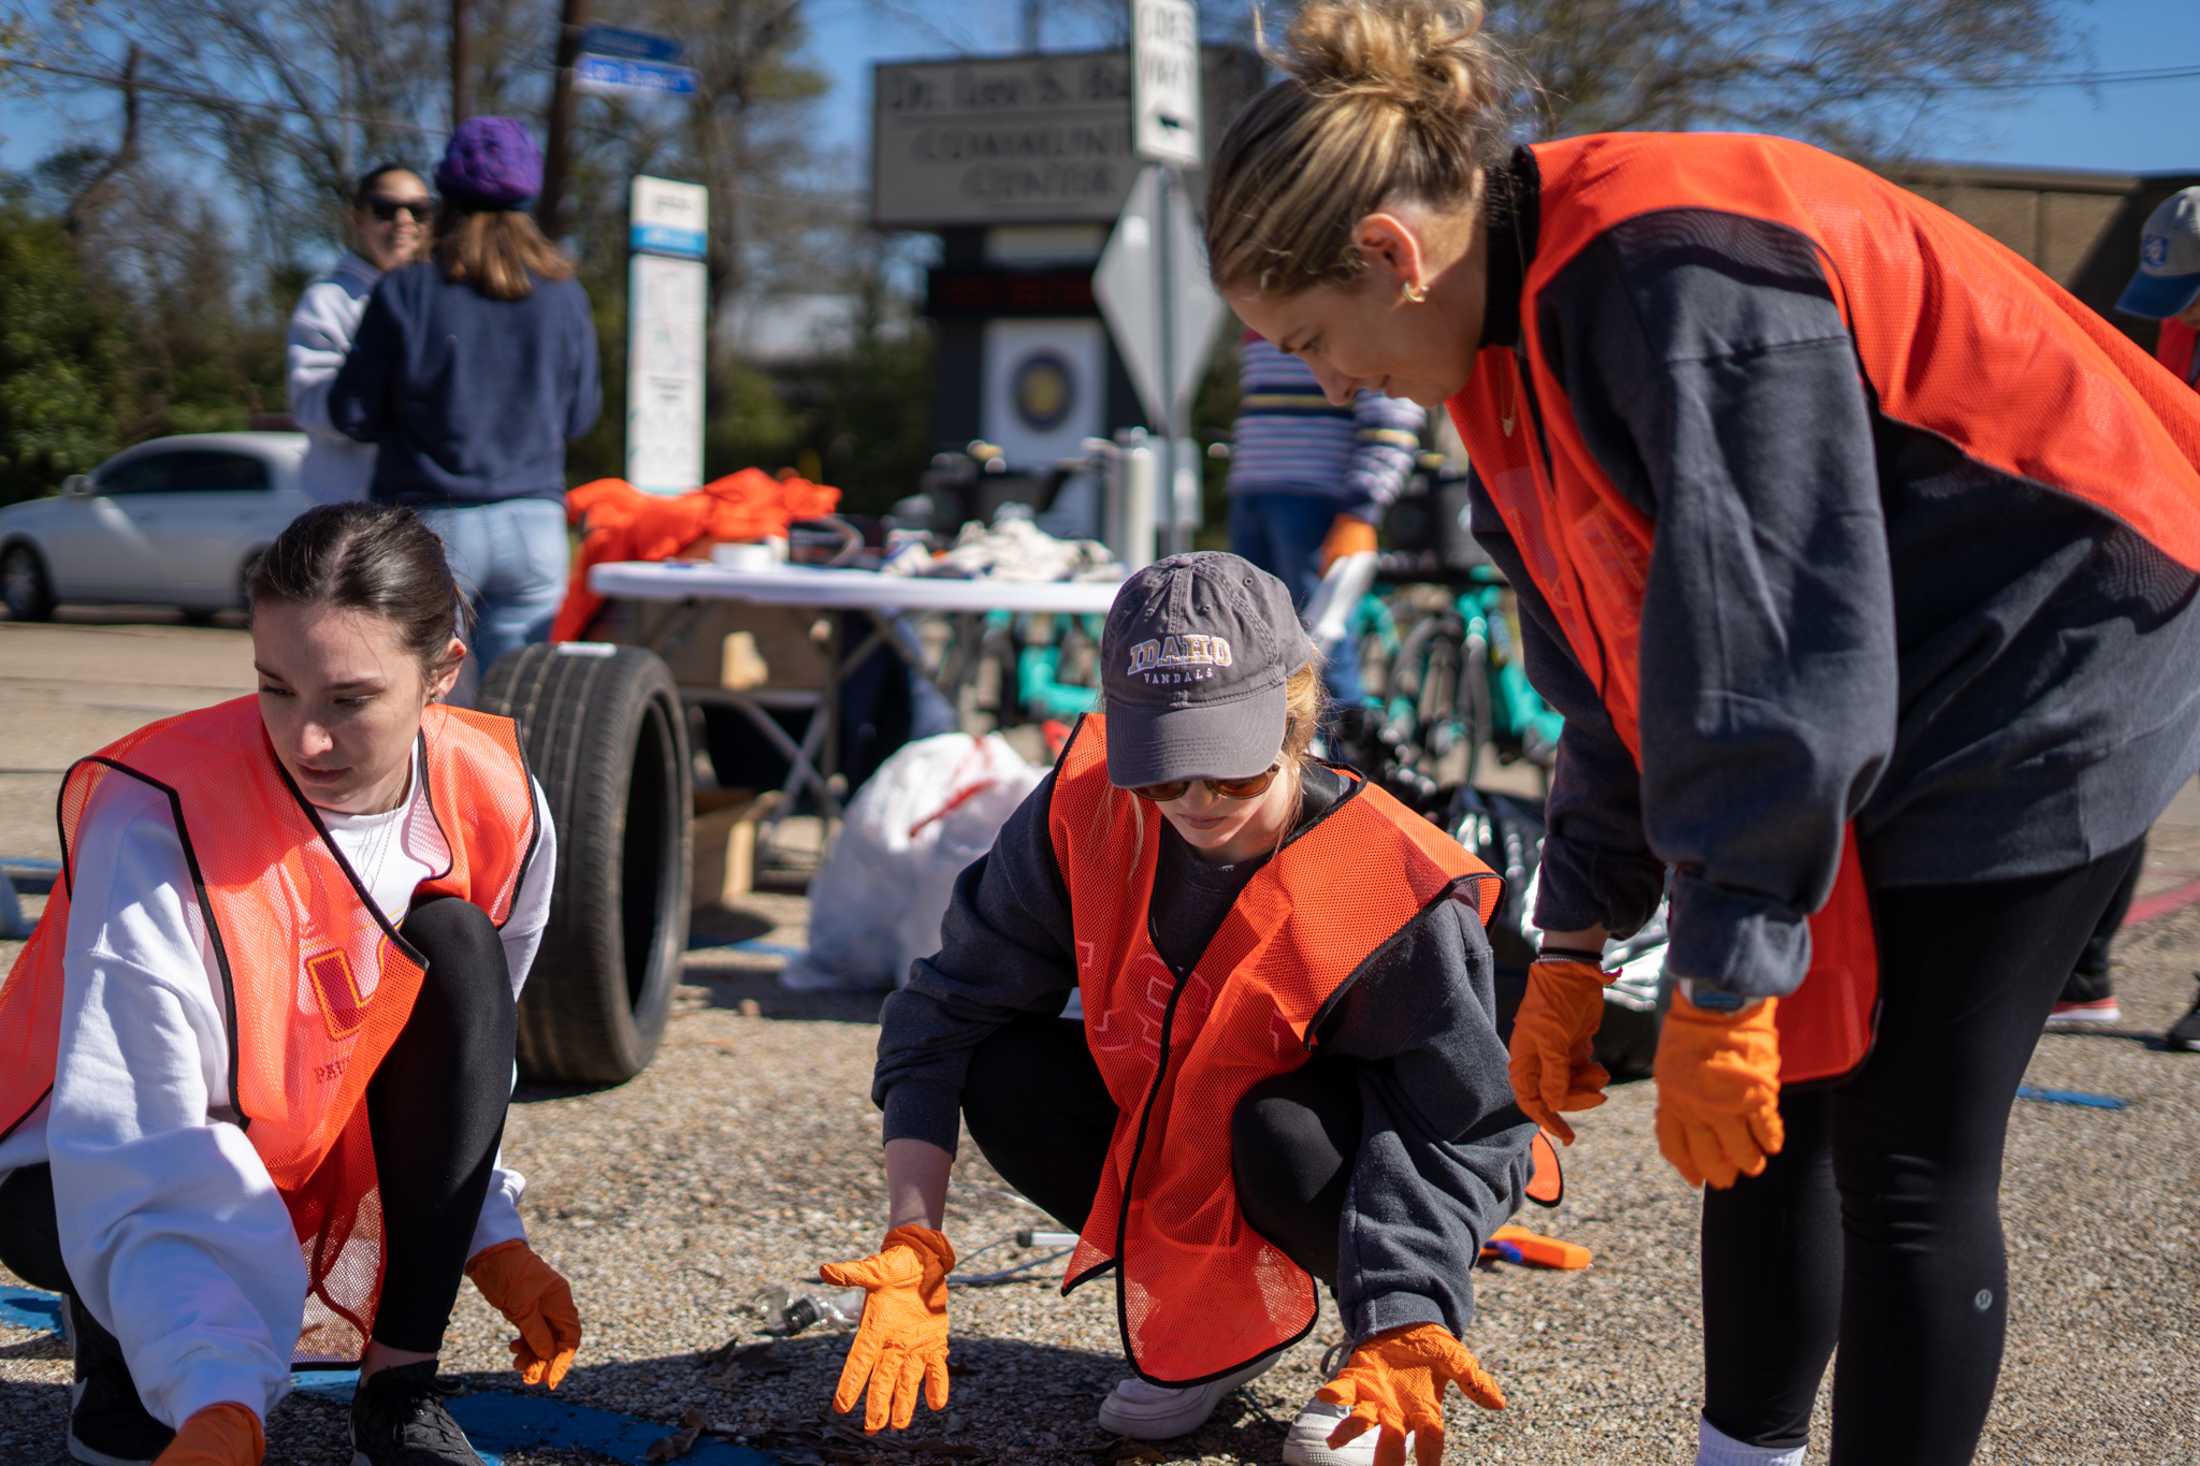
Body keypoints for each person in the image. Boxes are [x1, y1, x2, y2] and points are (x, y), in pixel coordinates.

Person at [1202, 4, 2200, 1464]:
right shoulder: (1497, 348)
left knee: (1904, 1146)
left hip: (2071, 622)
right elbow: (1618, 668)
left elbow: (1775, 658)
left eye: (1314, 342)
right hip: (1899, 639)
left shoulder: (1681, 278)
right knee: (1774, 1101)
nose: (1335, 382)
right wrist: (1572, 937)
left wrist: (1727, 970)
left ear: (1390, 255)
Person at [825, 550, 1536, 1466]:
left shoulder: (1391, 886)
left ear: (1298, 716)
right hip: (1195, 1116)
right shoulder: (1078, 812)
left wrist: (1405, 1312)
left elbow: (1463, 1127)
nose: (1196, 804)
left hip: (1351, 1151)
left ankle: (1367, 1342)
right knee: (1007, 1068)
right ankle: (1221, 1325)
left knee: (1277, 1128)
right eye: (1161, 773)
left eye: (1234, 774)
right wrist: (913, 1235)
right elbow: (941, 1014)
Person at [0, 503, 578, 1466]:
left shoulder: (496, 795)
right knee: (146, 1423)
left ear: (443, 673)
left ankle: (397, 1394)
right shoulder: (159, 812)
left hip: (305, 1146)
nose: (305, 740)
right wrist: (213, 1390)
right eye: (276, 688)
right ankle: (123, 1349)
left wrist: (490, 1237)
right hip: (86, 1167)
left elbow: (462, 1065)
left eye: (350, 699)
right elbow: (137, 1129)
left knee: (459, 946)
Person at [329, 116, 601, 690]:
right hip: (535, 524)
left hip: (431, 523)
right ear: (527, 196)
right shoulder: (565, 293)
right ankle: (516, 786)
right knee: (521, 710)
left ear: (445, 195)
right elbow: (581, 416)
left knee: (424, 706)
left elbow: (350, 413)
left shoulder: (406, 288)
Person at [1226, 329, 1427, 711]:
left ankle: (1346, 764)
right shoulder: (1257, 309)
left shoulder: (1330, 300)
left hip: (1316, 500)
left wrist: (1361, 510)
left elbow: (1393, 412)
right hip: (1252, 491)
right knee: (1253, 656)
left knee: (1320, 656)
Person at [284, 165, 434, 504]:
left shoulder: (443, 300)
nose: (403, 221)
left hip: (426, 507)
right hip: (349, 510)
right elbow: (310, 406)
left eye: (419, 210)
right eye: (385, 209)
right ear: (357, 219)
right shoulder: (326, 300)